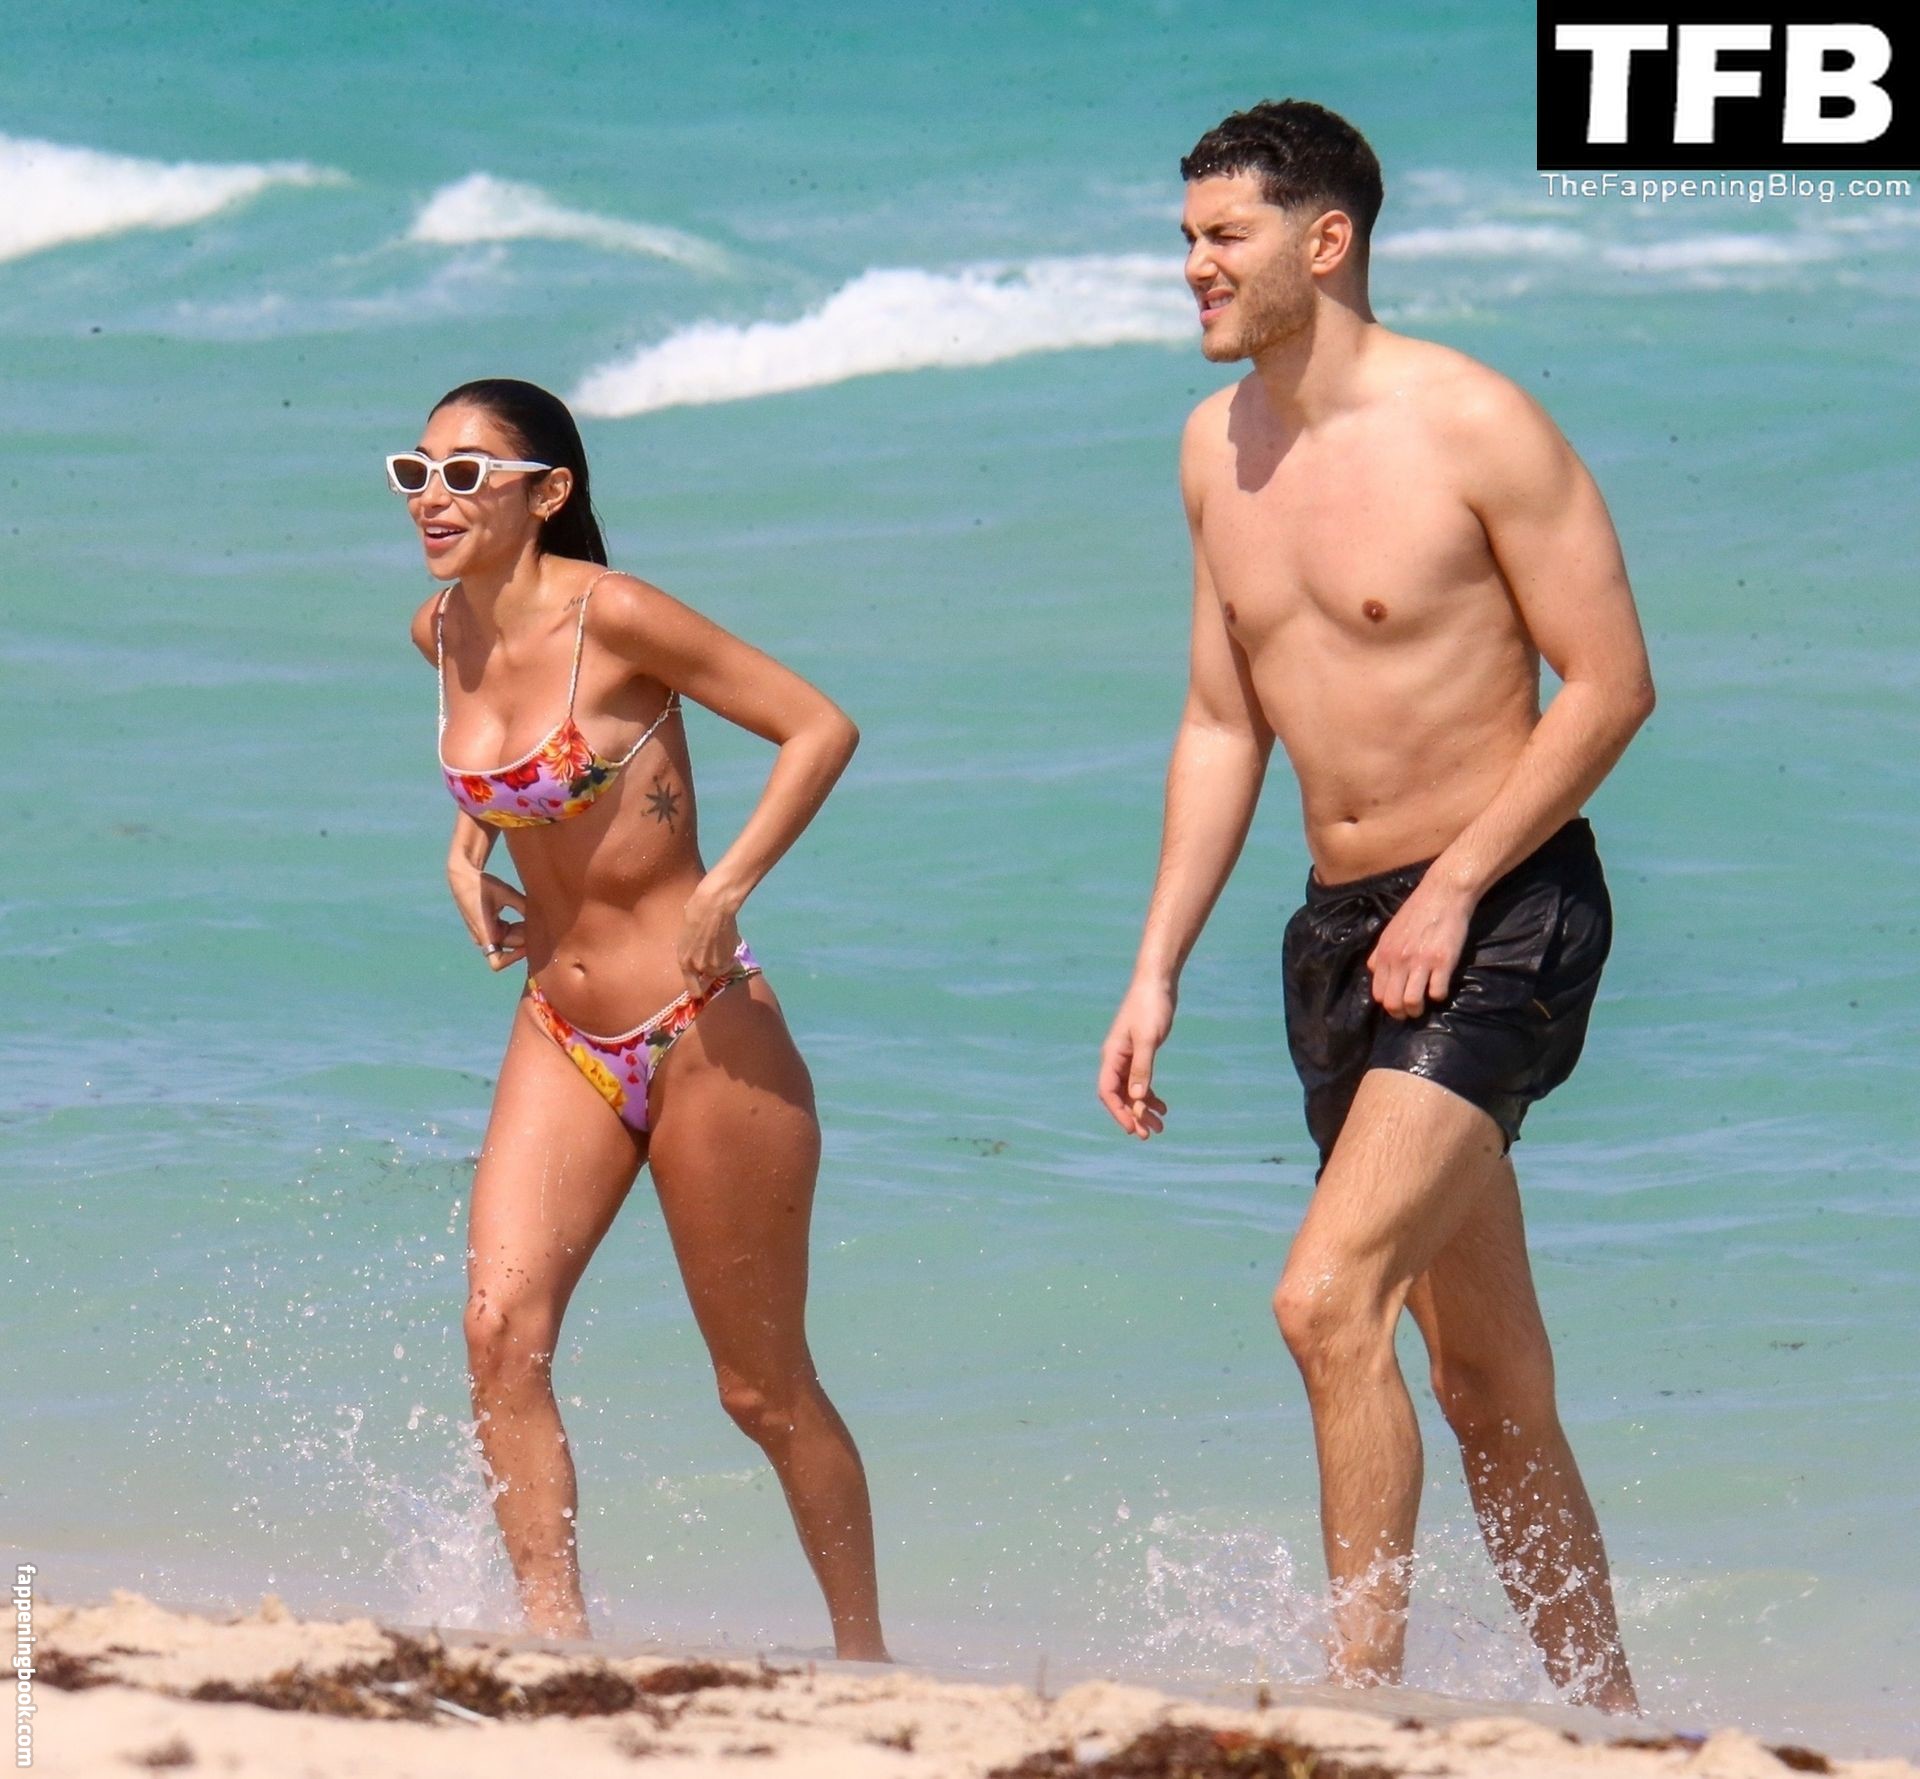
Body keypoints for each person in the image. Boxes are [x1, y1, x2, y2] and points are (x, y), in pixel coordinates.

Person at [1097, 102, 1654, 1710]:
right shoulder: (1214, 448)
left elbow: (1610, 685)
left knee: (1325, 1298)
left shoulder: (1476, 424)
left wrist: (1460, 884)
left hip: (1502, 908)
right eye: (1188, 238)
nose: (1193, 266)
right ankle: (1615, 1717)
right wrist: (1155, 966)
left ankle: (1363, 1702)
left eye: (1225, 236)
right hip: (1344, 933)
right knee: (1486, 1378)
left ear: (1325, 240)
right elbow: (1224, 720)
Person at [390, 377, 887, 1659]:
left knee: (761, 1391)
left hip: (701, 1027)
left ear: (548, 492)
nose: (432, 497)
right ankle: (557, 1645)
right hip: (558, 1031)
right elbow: (498, 768)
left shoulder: (615, 617)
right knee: (499, 1335)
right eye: (415, 472)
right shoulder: (439, 630)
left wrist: (726, 887)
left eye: (465, 474)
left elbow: (818, 728)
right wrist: (465, 849)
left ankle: (866, 1660)